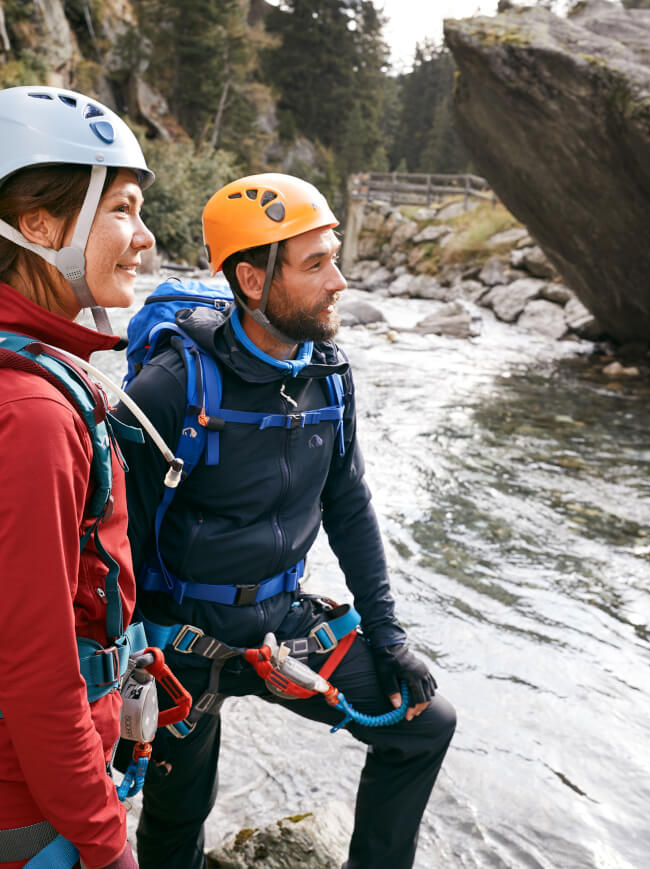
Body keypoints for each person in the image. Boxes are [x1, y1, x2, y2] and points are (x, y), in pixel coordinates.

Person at [115, 173, 456, 869]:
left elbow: (349, 505)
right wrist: (134, 663)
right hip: (181, 641)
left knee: (426, 725)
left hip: (283, 626)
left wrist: (387, 637)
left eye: (333, 257)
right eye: (315, 264)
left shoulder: (329, 376)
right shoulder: (169, 388)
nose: (338, 281)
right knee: (180, 809)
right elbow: (114, 540)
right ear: (250, 277)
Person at [0, 85, 155, 869]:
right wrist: (104, 840)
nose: (144, 236)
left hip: (17, 778)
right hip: (29, 803)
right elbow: (34, 663)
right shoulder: (26, 411)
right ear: (39, 226)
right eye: (122, 208)